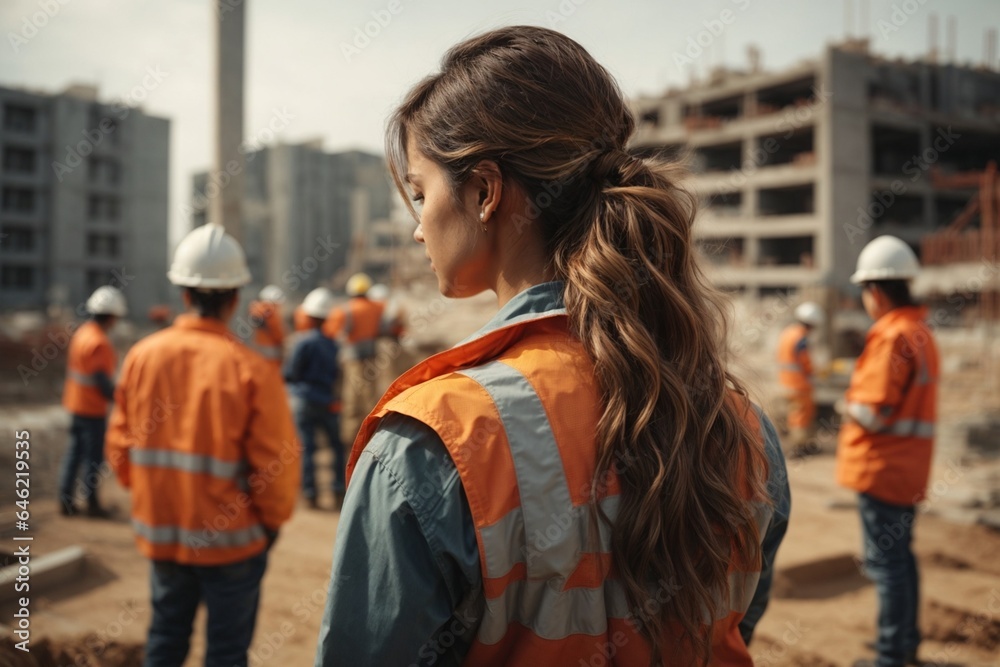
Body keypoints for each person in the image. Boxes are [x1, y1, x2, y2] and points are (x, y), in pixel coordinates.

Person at [316, 26, 787, 666]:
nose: (418, 227)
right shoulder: (745, 429)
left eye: (421, 194)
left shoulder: (432, 444)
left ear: (484, 191)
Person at [106, 223, 300, 667]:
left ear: (183, 293)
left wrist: (151, 497)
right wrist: (271, 524)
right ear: (235, 298)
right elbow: (276, 463)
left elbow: (119, 446)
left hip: (163, 533)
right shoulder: (250, 370)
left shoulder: (141, 356)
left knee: (165, 639)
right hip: (232, 543)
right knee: (227, 654)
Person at [836, 236, 939, 667]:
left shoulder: (892, 336)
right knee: (900, 560)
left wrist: (844, 404)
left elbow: (873, 413)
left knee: (886, 567)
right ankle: (904, 643)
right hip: (907, 469)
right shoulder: (920, 333)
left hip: (882, 469)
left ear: (876, 291)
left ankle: (892, 654)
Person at [58, 285, 126, 518]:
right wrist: (122, 398)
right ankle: (92, 504)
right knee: (92, 459)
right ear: (113, 316)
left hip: (75, 404)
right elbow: (102, 382)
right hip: (91, 408)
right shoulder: (100, 343)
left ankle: (65, 501)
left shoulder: (82, 333)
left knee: (74, 454)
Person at [284, 287, 345, 510]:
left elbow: (291, 372)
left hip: (305, 400)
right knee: (336, 447)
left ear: (308, 316)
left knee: (308, 448)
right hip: (327, 401)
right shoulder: (333, 344)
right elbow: (339, 375)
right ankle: (339, 490)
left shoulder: (302, 342)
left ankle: (310, 494)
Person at [324, 272, 386, 443]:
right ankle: (374, 436)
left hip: (353, 360)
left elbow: (330, 332)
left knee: (351, 400)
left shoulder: (345, 309)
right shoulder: (377, 307)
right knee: (370, 398)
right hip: (373, 358)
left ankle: (350, 439)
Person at [777, 301, 824, 457]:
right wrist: (814, 373)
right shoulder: (801, 337)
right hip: (799, 384)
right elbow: (804, 361)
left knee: (793, 415)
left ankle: (800, 445)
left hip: (785, 382)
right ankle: (798, 448)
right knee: (801, 417)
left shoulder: (788, 333)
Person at [248, 284, 286, 366]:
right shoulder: (270, 313)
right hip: (272, 360)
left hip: (258, 354)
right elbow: (278, 335)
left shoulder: (258, 311)